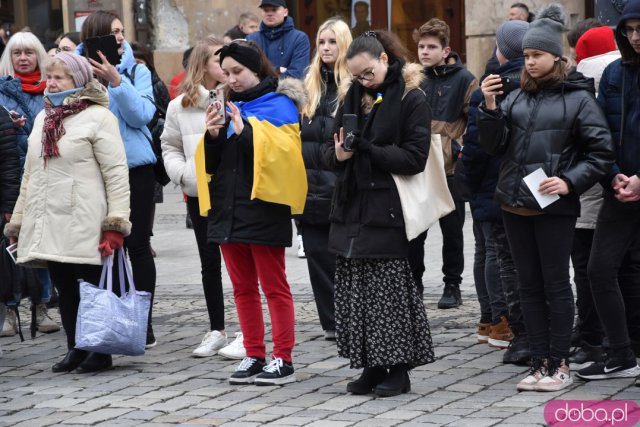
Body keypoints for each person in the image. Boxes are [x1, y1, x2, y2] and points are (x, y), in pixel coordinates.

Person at [478, 4, 615, 392]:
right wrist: (489, 109)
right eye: (526, 56)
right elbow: (494, 146)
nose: (530, 61)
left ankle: (560, 364)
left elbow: (601, 153)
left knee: (555, 284)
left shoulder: (579, 98)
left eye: (537, 55)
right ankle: (539, 363)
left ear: (557, 57)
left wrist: (569, 181)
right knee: (527, 285)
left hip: (554, 207)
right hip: (513, 203)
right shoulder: (517, 95)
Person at [324, 30, 435, 397]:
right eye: (357, 76)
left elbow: (415, 159)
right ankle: (371, 366)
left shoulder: (411, 97)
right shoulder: (351, 96)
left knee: (388, 294)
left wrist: (368, 148)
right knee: (356, 293)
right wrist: (339, 155)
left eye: (368, 73)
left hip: (387, 208)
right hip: (351, 206)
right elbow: (329, 151)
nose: (363, 81)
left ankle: (398, 369)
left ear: (385, 59)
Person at [3, 52, 130, 373]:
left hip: (84, 215)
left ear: (79, 80)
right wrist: (19, 219)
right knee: (64, 284)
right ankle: (76, 346)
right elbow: (30, 173)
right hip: (49, 215)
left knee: (91, 285)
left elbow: (116, 172)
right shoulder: (44, 117)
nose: (53, 82)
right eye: (51, 76)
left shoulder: (99, 117)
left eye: (61, 77)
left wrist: (115, 223)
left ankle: (100, 350)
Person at [203, 40, 306, 385]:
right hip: (228, 209)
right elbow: (213, 165)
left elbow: (286, 157)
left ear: (256, 70)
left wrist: (246, 133)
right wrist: (215, 137)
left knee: (274, 286)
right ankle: (254, 353)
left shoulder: (280, 105)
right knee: (242, 288)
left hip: (264, 208)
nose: (231, 79)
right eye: (226, 73)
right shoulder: (226, 105)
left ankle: (283, 358)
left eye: (238, 72)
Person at [78, 10, 158, 349]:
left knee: (137, 246)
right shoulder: (77, 72)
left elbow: (142, 115)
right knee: (99, 248)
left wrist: (116, 81)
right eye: (114, 32)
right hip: (93, 171)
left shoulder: (136, 71)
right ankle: (103, 320)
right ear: (97, 37)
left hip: (135, 169)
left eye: (123, 31)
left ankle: (143, 323)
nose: (121, 37)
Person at [576, 0, 640, 383]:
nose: (635, 36)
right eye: (629, 29)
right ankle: (621, 353)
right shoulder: (616, 71)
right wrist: (614, 175)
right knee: (600, 269)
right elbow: (599, 134)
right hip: (620, 191)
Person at [463, 19, 531, 364]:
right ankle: (514, 325)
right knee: (525, 261)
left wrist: (469, 182)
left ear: (502, 49)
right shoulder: (534, 83)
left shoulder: (490, 88)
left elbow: (475, 148)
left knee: (499, 256)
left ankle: (501, 321)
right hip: (530, 189)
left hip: (494, 186)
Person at [161, 36, 233, 358]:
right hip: (199, 192)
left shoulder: (237, 98)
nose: (226, 65)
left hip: (234, 192)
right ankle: (216, 328)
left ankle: (249, 330)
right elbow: (169, 146)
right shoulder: (180, 105)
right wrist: (183, 175)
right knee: (209, 262)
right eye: (219, 59)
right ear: (203, 64)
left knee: (242, 263)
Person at [412, 18, 477, 308]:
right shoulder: (413, 78)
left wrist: (461, 148)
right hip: (417, 166)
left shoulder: (464, 79)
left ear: (445, 49)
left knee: (452, 232)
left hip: (450, 167)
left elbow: (474, 119)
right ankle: (414, 284)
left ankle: (452, 285)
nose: (424, 52)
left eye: (431, 47)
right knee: (415, 231)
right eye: (421, 47)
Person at [0, 31, 60, 337]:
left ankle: (42, 306)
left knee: (43, 245)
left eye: (29, 52)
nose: (23, 58)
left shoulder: (52, 89)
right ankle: (10, 310)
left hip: (44, 176)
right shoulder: (0, 91)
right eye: (17, 53)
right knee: (8, 245)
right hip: (11, 179)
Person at [567, 25, 620, 370]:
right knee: (619, 270)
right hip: (617, 185)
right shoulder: (620, 73)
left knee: (587, 271)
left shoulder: (583, 78)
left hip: (585, 190)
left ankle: (591, 337)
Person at [300, 18, 352, 341]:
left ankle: (349, 318)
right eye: (322, 42)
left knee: (342, 259)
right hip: (307, 186)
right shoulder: (309, 87)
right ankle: (331, 322)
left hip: (339, 186)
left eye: (332, 41)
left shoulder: (352, 87)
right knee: (317, 257)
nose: (326, 48)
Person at [131, 41, 171, 258]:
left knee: (151, 197)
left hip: (152, 145)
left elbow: (165, 110)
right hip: (135, 145)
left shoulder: (156, 84)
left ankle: (146, 237)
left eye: (141, 62)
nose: (137, 66)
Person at [247, 0, 310, 79]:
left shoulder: (300, 38)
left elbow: (298, 74)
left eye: (274, 9)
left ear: (285, 12)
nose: (269, 14)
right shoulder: (251, 39)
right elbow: (249, 72)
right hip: (259, 91)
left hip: (288, 90)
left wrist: (264, 75)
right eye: (266, 10)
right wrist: (277, 70)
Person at [485, 3, 533, 75]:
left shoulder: (535, 34)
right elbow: (494, 61)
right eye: (509, 15)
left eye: (513, 14)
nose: (509, 18)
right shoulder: (504, 34)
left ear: (523, 16)